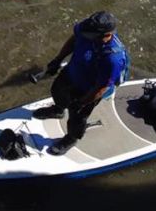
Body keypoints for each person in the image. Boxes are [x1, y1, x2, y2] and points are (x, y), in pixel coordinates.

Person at [33, 11, 130, 156]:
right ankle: (58, 110)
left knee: (77, 117)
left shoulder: (113, 58)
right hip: (72, 73)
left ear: (106, 35)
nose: (85, 35)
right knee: (57, 91)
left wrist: (82, 102)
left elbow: (102, 87)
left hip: (89, 89)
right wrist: (58, 59)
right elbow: (74, 39)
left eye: (90, 34)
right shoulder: (87, 31)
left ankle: (71, 138)